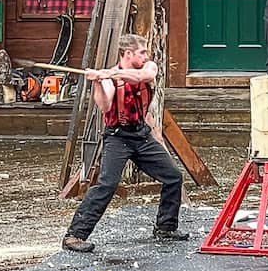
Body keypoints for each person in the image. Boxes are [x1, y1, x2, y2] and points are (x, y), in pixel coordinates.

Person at [62, 33, 188, 253]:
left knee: (173, 177)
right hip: (117, 137)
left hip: (142, 135)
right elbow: (104, 105)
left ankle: (166, 226)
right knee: (107, 184)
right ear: (128, 54)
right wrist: (98, 82)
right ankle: (75, 235)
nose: (146, 56)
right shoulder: (110, 79)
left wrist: (114, 72)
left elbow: (142, 77)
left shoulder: (147, 68)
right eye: (142, 52)